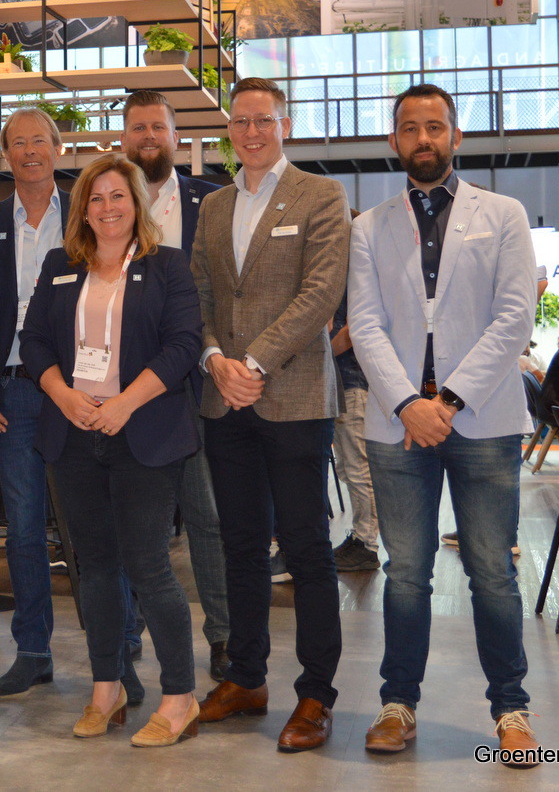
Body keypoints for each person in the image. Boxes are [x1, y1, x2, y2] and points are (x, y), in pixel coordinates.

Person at [348, 83, 540, 764]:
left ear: (456, 136)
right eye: (410, 127)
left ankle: (511, 709)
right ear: (394, 141)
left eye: (435, 126)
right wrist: (408, 404)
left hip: (483, 421)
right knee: (405, 572)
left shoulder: (504, 214)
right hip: (399, 426)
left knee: (491, 571)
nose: (422, 138)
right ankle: (398, 703)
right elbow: (364, 324)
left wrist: (448, 402)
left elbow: (515, 316)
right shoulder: (369, 228)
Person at [20, 154, 202, 746]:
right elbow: (34, 341)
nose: (107, 207)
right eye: (95, 198)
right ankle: (108, 688)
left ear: (137, 203)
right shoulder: (61, 264)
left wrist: (125, 402)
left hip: (143, 433)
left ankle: (179, 698)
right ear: (83, 209)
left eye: (118, 196)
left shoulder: (167, 265)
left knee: (149, 566)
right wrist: (62, 395)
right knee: (94, 567)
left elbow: (183, 346)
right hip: (74, 433)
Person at [191, 77, 349, 752]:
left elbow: (321, 293)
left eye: (264, 120)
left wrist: (251, 363)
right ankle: (246, 676)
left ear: (286, 125)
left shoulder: (320, 195)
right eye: (241, 121)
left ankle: (315, 693)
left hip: (292, 397)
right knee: (241, 545)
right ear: (229, 131)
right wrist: (213, 360)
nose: (251, 132)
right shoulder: (214, 205)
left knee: (307, 549)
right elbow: (197, 292)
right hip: (224, 398)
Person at [119, 90, 230, 681]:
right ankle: (129, 633)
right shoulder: (107, 202)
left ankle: (224, 636)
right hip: (126, 389)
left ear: (175, 135)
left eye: (157, 128)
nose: (148, 138)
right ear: (124, 140)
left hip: (196, 381)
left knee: (206, 515)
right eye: (138, 128)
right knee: (139, 519)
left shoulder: (211, 201)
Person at [0, 107, 71, 695]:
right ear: (5, 155)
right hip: (10, 392)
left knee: (95, 521)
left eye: (39, 140)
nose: (30, 151)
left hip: (81, 391)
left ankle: (121, 644)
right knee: (25, 528)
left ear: (58, 148)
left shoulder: (88, 215)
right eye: (18, 143)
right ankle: (33, 650)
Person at [329, 291, 381, 571]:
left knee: (358, 469)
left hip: (351, 384)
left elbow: (352, 332)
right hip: (340, 385)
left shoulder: (351, 279)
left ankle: (366, 545)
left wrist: (319, 352)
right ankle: (361, 539)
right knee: (349, 469)